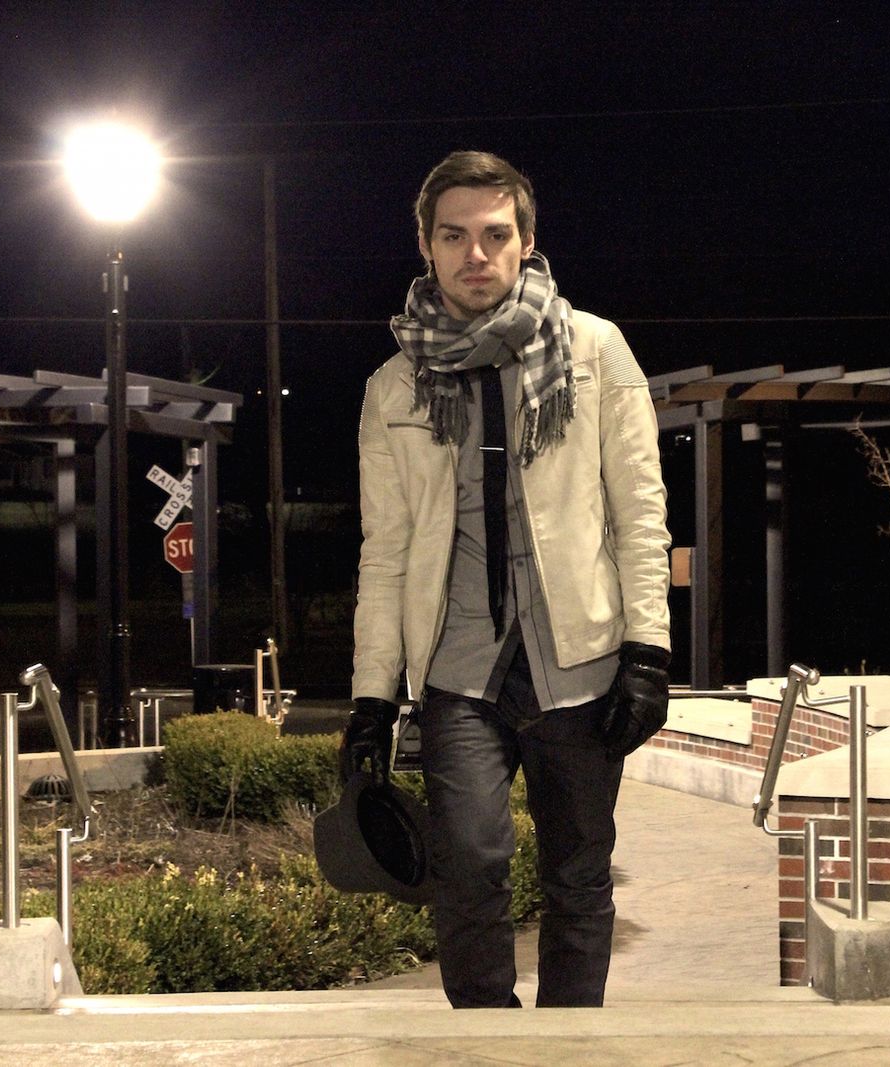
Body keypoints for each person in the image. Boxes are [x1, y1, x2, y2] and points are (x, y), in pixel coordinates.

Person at [341, 150, 672, 1009]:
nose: (475, 254)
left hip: (580, 661)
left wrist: (648, 652)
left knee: (579, 871)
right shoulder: (394, 385)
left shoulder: (594, 350)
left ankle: (568, 1048)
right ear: (426, 244)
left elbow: (639, 513)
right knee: (469, 862)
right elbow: (385, 553)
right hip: (459, 668)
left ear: (526, 240)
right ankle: (483, 1041)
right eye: (454, 236)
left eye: (494, 234)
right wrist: (372, 700)